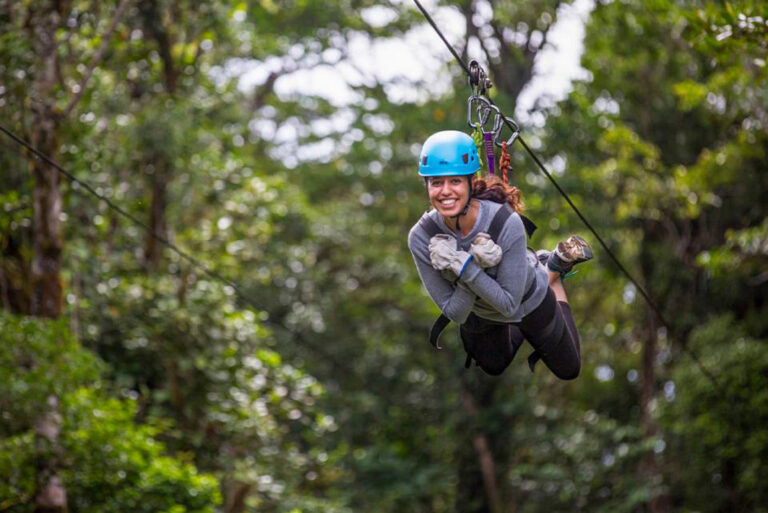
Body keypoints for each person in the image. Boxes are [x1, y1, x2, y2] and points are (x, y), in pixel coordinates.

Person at [407, 130, 593, 378]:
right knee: (494, 366)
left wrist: (464, 266)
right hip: (480, 312)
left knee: (569, 369)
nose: (445, 191)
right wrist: (464, 266)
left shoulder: (505, 222)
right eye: (436, 182)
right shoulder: (422, 236)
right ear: (427, 186)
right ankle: (549, 268)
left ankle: (551, 269)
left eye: (455, 181)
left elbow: (508, 305)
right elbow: (456, 312)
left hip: (526, 296)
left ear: (471, 183)